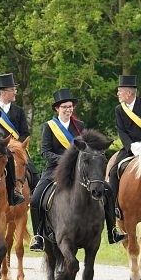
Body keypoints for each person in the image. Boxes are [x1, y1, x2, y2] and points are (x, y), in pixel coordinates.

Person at [30, 89, 126, 251]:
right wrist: (65, 160)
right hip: (55, 170)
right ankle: (38, 236)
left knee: (108, 191)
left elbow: (86, 148)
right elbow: (45, 152)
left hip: (80, 169)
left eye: (70, 106)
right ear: (57, 109)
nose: (68, 109)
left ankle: (112, 231)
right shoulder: (49, 126)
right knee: (36, 199)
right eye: (64, 107)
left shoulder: (79, 126)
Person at [107, 74, 141, 214]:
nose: (118, 93)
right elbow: (121, 131)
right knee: (113, 171)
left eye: (120, 91)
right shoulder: (119, 109)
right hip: (130, 147)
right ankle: (115, 206)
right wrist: (131, 146)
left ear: (129, 93)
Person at [0, 72, 35, 195]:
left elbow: (25, 133)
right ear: (3, 92)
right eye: (12, 89)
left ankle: (33, 198)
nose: (15, 92)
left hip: (16, 150)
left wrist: (15, 146)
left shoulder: (19, 111)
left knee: (33, 172)